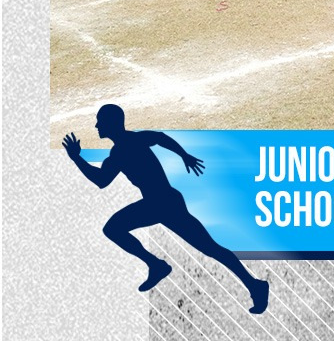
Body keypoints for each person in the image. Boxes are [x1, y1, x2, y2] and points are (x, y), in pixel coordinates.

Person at [62, 104, 268, 314]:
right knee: (115, 229)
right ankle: (251, 285)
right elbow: (159, 138)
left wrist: (76, 158)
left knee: (209, 248)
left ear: (111, 123)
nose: (96, 126)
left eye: (100, 121)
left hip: (163, 204)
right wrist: (184, 155)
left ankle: (253, 285)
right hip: (160, 203)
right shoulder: (133, 141)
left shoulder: (121, 151)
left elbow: (101, 180)